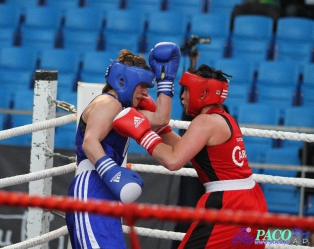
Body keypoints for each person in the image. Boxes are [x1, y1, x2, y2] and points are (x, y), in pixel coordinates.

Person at [113, 64, 268, 248]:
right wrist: (160, 129)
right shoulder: (222, 117)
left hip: (229, 203)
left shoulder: (205, 122)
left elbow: (173, 160)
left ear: (201, 92)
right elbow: (184, 149)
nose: (182, 96)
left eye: (186, 90)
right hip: (250, 201)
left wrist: (143, 134)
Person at [65, 42, 181, 249]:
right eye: (143, 86)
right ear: (123, 80)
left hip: (104, 186)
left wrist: (167, 81)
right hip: (92, 184)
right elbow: (90, 142)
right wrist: (113, 172)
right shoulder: (108, 103)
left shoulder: (124, 109)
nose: (146, 93)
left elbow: (161, 119)